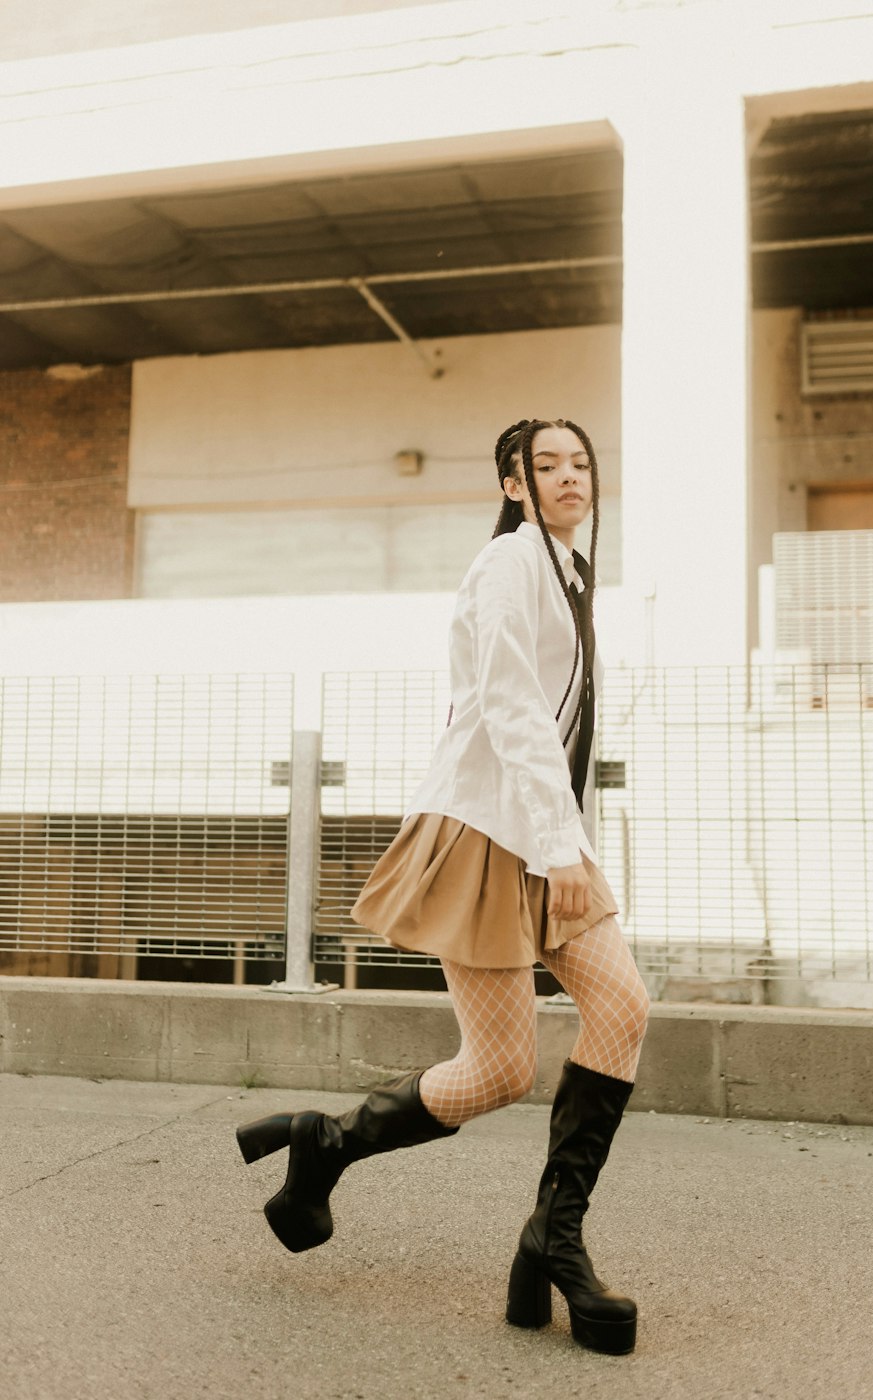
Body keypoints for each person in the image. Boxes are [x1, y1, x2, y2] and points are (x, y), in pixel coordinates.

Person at [237, 418, 650, 1356]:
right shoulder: (509, 567)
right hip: (491, 831)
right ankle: (329, 1144)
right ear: (513, 484)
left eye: (579, 462)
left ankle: (555, 1238)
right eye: (545, 465)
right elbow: (508, 706)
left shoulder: (573, 574)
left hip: (550, 831)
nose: (567, 477)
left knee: (622, 1008)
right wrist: (563, 846)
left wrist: (570, 839)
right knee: (500, 1070)